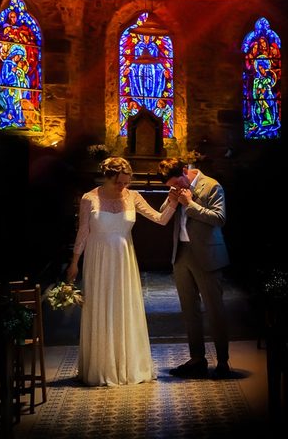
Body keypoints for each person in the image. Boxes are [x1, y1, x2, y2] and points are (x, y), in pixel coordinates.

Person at [66, 156, 175, 386]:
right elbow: (83, 232)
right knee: (101, 306)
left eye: (126, 182)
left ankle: (127, 365)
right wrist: (75, 262)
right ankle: (102, 366)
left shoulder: (133, 196)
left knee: (123, 306)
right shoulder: (90, 198)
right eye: (119, 182)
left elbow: (160, 219)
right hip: (98, 260)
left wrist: (173, 201)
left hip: (124, 259)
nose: (123, 186)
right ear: (107, 177)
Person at [159, 156, 231, 378]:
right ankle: (197, 359)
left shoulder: (211, 185)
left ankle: (223, 361)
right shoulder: (176, 186)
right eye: (170, 186)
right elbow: (164, 212)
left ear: (184, 170)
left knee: (214, 310)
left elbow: (219, 218)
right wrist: (172, 199)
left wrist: (190, 204)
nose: (175, 187)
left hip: (207, 254)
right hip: (181, 254)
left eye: (176, 183)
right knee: (190, 311)